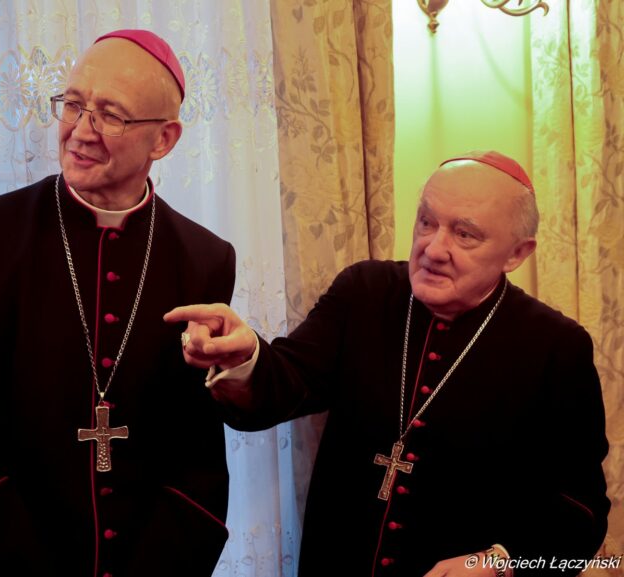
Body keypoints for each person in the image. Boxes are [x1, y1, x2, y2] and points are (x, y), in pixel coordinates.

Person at [165, 151, 610, 577]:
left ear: (517, 253)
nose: (434, 249)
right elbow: (290, 381)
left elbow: (582, 510)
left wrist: (498, 562)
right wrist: (246, 358)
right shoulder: (364, 291)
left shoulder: (556, 347)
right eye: (426, 222)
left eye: (465, 234)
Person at [0, 30, 235, 577]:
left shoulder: (205, 259)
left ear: (163, 139)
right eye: (73, 104)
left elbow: (198, 465)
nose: (80, 130)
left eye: (110, 114)